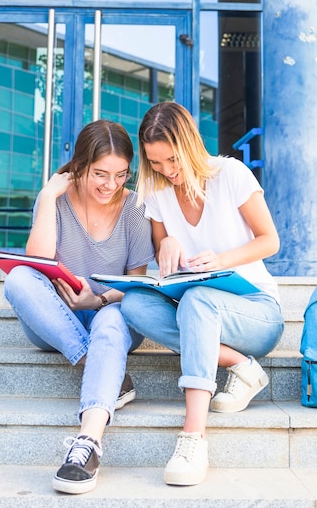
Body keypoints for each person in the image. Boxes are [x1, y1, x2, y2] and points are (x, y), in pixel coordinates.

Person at [120, 102, 284, 487]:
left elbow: (270, 240)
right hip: (198, 309)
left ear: (190, 143)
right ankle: (239, 365)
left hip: (256, 312)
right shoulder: (158, 191)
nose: (167, 171)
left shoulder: (231, 174)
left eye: (172, 160)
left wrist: (220, 260)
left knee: (198, 299)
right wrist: (168, 243)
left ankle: (193, 437)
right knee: (134, 304)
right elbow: (164, 252)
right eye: (156, 163)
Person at [3, 120, 154, 495]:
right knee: (18, 279)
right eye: (100, 173)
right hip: (58, 320)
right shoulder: (54, 199)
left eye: (121, 175)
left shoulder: (134, 206)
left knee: (112, 318)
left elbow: (137, 282)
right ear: (78, 166)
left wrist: (99, 299)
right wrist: (48, 197)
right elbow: (36, 261)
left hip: (111, 315)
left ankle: (87, 444)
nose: (110, 184)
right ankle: (104, 368)